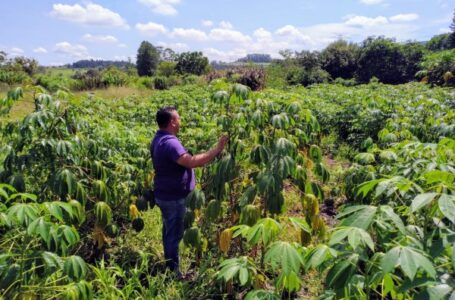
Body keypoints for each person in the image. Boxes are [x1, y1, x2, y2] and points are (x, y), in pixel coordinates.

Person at [150, 106, 228, 276]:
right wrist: (216, 150)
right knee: (174, 235)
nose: (180, 121)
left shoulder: (159, 138)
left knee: (169, 230)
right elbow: (192, 162)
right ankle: (173, 272)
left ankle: (169, 263)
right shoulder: (170, 143)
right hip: (173, 198)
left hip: (166, 194)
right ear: (172, 122)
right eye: (178, 118)